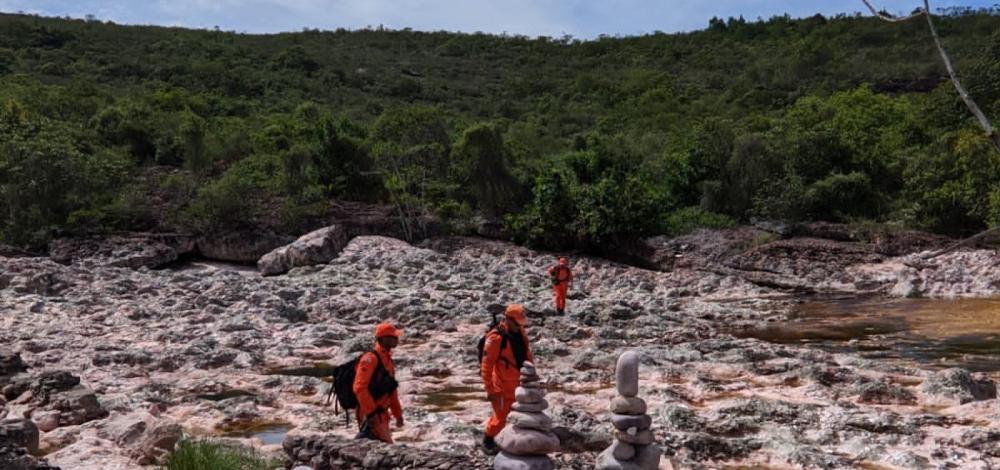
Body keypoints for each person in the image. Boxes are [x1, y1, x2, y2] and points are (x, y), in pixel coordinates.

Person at [480, 304, 534, 454]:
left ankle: (507, 441)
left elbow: (526, 353)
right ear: (508, 319)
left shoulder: (521, 332)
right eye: (517, 323)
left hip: (520, 383)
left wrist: (532, 374)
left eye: (520, 323)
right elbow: (486, 365)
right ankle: (488, 440)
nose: (519, 326)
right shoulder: (496, 337)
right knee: (500, 418)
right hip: (502, 386)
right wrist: (490, 389)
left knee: (519, 416)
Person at [352, 322, 404, 443]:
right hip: (372, 414)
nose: (397, 338)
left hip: (382, 414)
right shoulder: (370, 359)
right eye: (393, 336)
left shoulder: (388, 360)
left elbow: (392, 390)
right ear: (383, 339)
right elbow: (359, 388)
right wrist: (371, 413)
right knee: (383, 446)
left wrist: (398, 414)